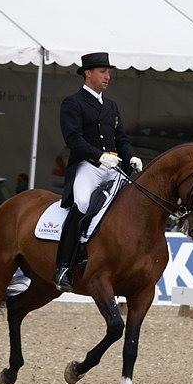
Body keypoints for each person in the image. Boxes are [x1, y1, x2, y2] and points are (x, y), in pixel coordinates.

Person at [53, 52, 141, 290]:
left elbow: (121, 137)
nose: (107, 76)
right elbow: (73, 138)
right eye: (103, 71)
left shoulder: (111, 106)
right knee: (82, 204)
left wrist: (131, 155)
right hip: (88, 167)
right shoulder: (73, 102)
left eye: (109, 72)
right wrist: (98, 155)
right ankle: (62, 267)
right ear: (88, 73)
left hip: (113, 168)